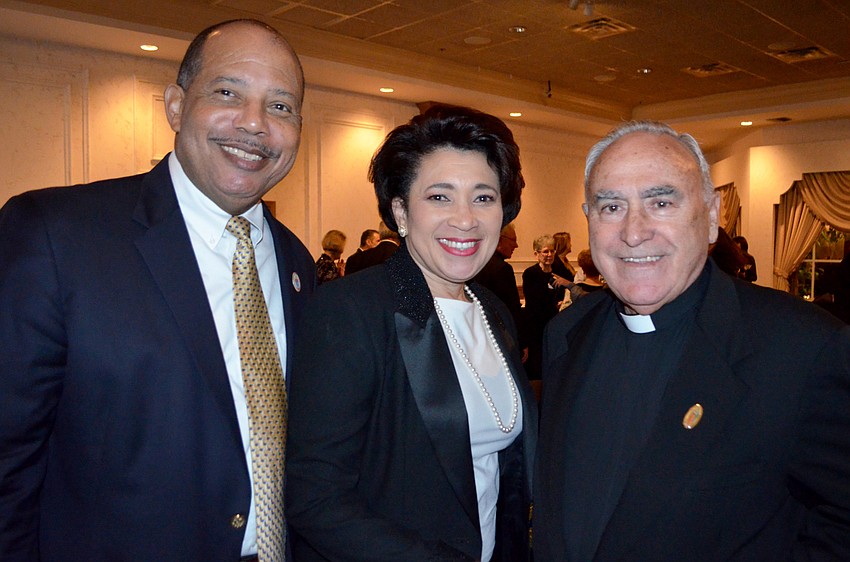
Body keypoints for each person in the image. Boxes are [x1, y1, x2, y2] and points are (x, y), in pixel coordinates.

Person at [0, 19, 317, 562]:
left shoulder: (296, 262)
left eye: (281, 107)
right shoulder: (56, 235)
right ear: (175, 106)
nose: (255, 125)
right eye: (227, 93)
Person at [534, 120, 850, 560]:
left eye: (661, 202)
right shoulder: (567, 333)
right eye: (610, 207)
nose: (633, 231)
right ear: (589, 219)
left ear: (712, 216)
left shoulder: (803, 348)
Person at [287, 105, 537, 561]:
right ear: (400, 212)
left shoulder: (493, 309)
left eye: (483, 197)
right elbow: (314, 495)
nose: (465, 219)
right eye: (439, 197)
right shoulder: (351, 311)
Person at [472, 222, 527, 359]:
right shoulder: (502, 269)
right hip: (500, 338)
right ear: (499, 239)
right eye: (513, 240)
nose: (516, 245)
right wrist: (521, 342)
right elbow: (511, 309)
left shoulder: (475, 263)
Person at [522, 235, 568, 380]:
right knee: (537, 364)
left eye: (552, 251)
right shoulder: (531, 273)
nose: (549, 255)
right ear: (536, 254)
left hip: (555, 323)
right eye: (545, 251)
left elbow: (568, 287)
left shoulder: (558, 271)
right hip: (536, 326)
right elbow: (534, 301)